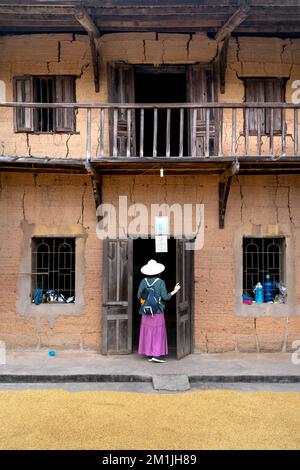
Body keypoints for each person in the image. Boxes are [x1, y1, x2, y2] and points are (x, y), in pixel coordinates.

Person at [137, 259, 181, 363]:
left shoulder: (143, 281)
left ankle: (150, 353)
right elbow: (165, 297)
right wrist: (175, 290)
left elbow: (139, 296)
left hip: (146, 311)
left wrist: (147, 301)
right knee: (158, 333)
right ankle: (156, 355)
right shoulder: (160, 282)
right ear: (158, 272)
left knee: (148, 332)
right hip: (157, 311)